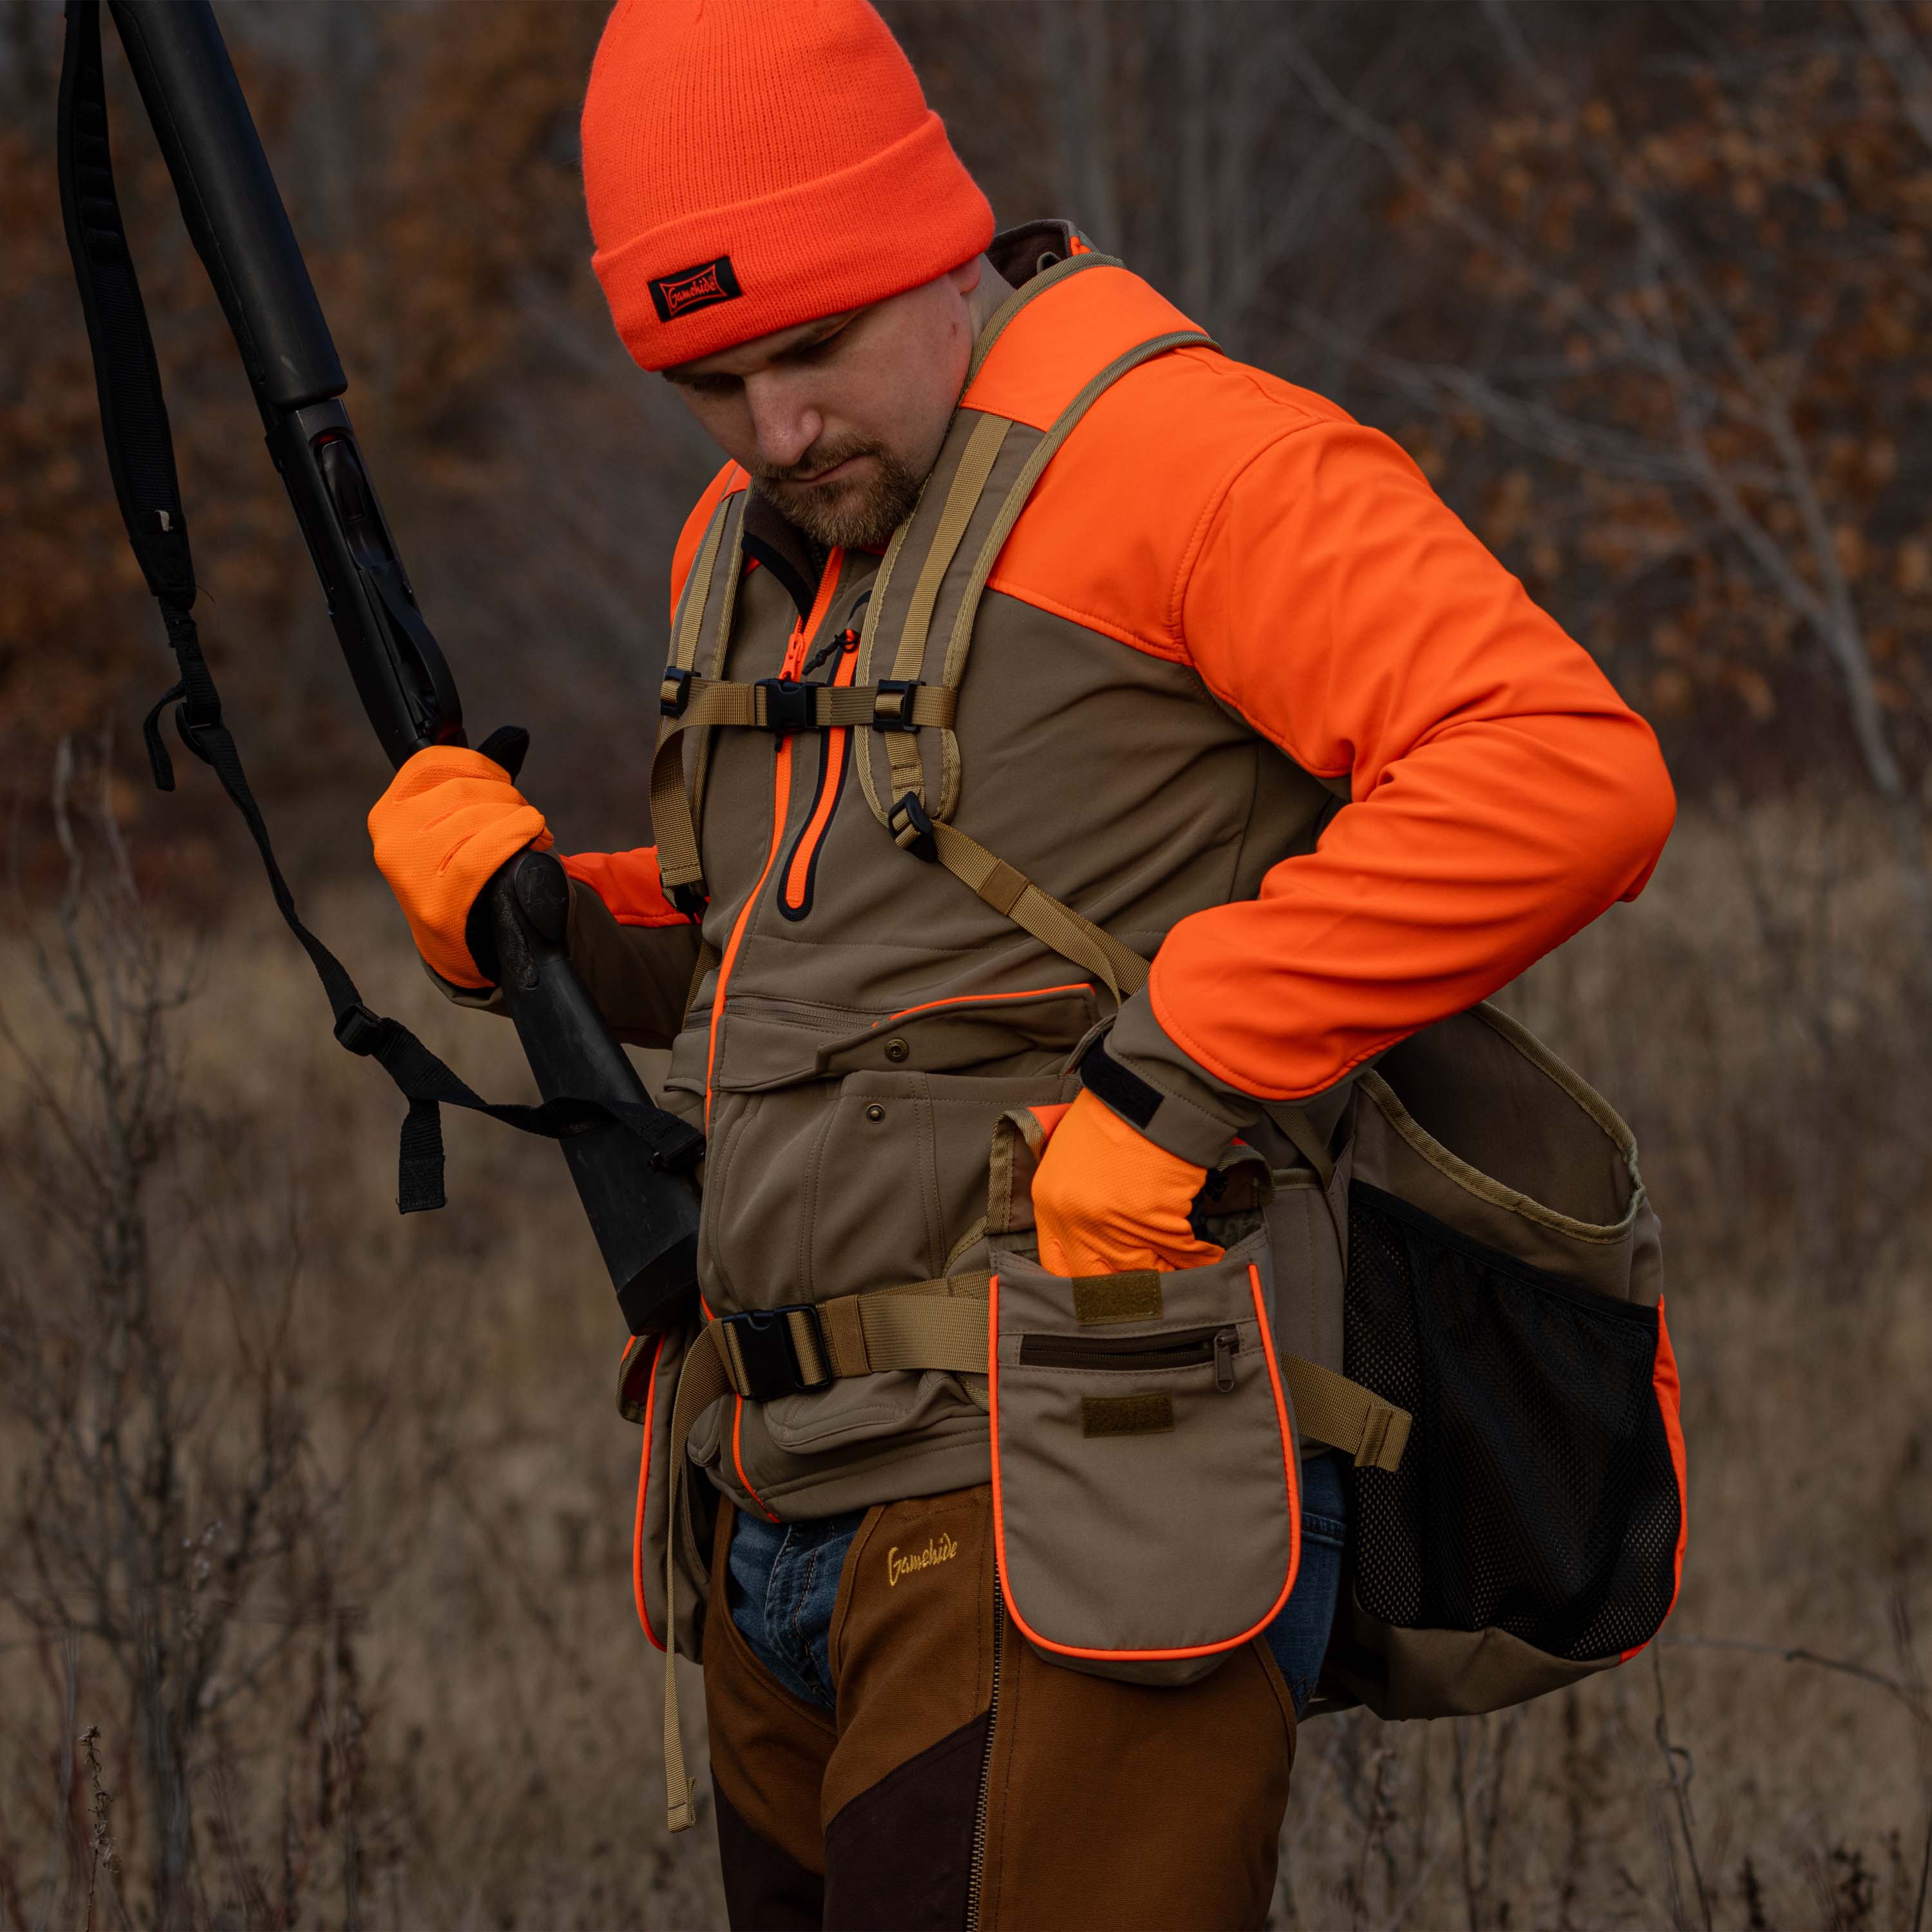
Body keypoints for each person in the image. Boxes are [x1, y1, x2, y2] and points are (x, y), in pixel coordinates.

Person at [368, 1, 1676, 1924]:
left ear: (932, 238)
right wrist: (540, 918)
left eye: (811, 349)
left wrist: (1178, 1078)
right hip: (780, 1506)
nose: (774, 430)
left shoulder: (1183, 452)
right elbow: (801, 947)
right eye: (712, 384)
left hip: (1075, 1470)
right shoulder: (755, 537)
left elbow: (1564, 774)